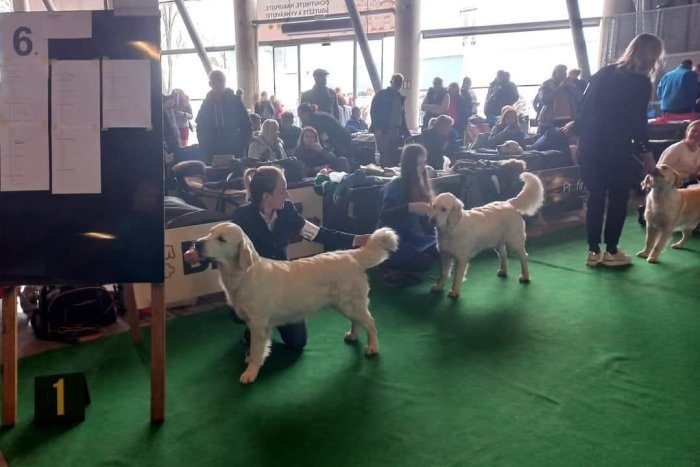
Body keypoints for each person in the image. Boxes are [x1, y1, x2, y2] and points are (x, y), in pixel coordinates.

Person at [227, 166, 370, 350]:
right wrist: (198, 254)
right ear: (266, 196)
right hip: (254, 286)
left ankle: (266, 321)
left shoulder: (287, 210)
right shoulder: (242, 216)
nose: (287, 194)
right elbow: (225, 247)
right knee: (244, 313)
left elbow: (316, 233)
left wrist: (356, 239)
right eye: (282, 190)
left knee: (297, 343)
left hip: (282, 284)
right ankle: (254, 327)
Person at [573, 33, 664, 267]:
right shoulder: (641, 82)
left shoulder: (603, 73)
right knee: (618, 198)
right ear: (653, 56)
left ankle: (593, 251)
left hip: (591, 145)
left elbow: (583, 110)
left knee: (595, 198)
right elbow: (638, 122)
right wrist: (646, 152)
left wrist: (581, 140)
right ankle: (611, 250)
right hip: (617, 147)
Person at [378, 144, 437, 287]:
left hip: (409, 237)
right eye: (418, 164)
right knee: (424, 261)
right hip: (391, 240)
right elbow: (385, 215)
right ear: (409, 165)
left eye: (424, 163)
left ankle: (399, 268)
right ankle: (388, 268)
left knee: (441, 246)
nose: (422, 167)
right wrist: (410, 207)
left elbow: (425, 221)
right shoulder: (395, 185)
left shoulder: (419, 185)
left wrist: (439, 233)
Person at [195, 70, 252, 162]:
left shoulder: (235, 101)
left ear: (224, 83)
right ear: (210, 84)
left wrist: (241, 144)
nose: (218, 85)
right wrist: (205, 146)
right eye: (215, 82)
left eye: (220, 81)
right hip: (212, 151)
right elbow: (200, 126)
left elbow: (247, 124)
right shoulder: (206, 104)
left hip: (234, 149)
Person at [370, 73, 411, 167]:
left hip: (396, 130)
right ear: (391, 82)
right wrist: (377, 128)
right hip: (384, 130)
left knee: (394, 155)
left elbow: (402, 117)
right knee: (385, 156)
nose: (398, 83)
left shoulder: (399, 97)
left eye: (400, 81)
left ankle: (391, 172)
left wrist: (406, 133)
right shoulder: (381, 95)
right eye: (396, 81)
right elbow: (374, 111)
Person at [535, 64, 581, 134]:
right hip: (549, 119)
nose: (563, 75)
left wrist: (573, 86)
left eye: (564, 72)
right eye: (560, 72)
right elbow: (544, 101)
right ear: (554, 73)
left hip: (568, 118)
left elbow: (580, 98)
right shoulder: (547, 84)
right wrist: (559, 87)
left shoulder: (569, 84)